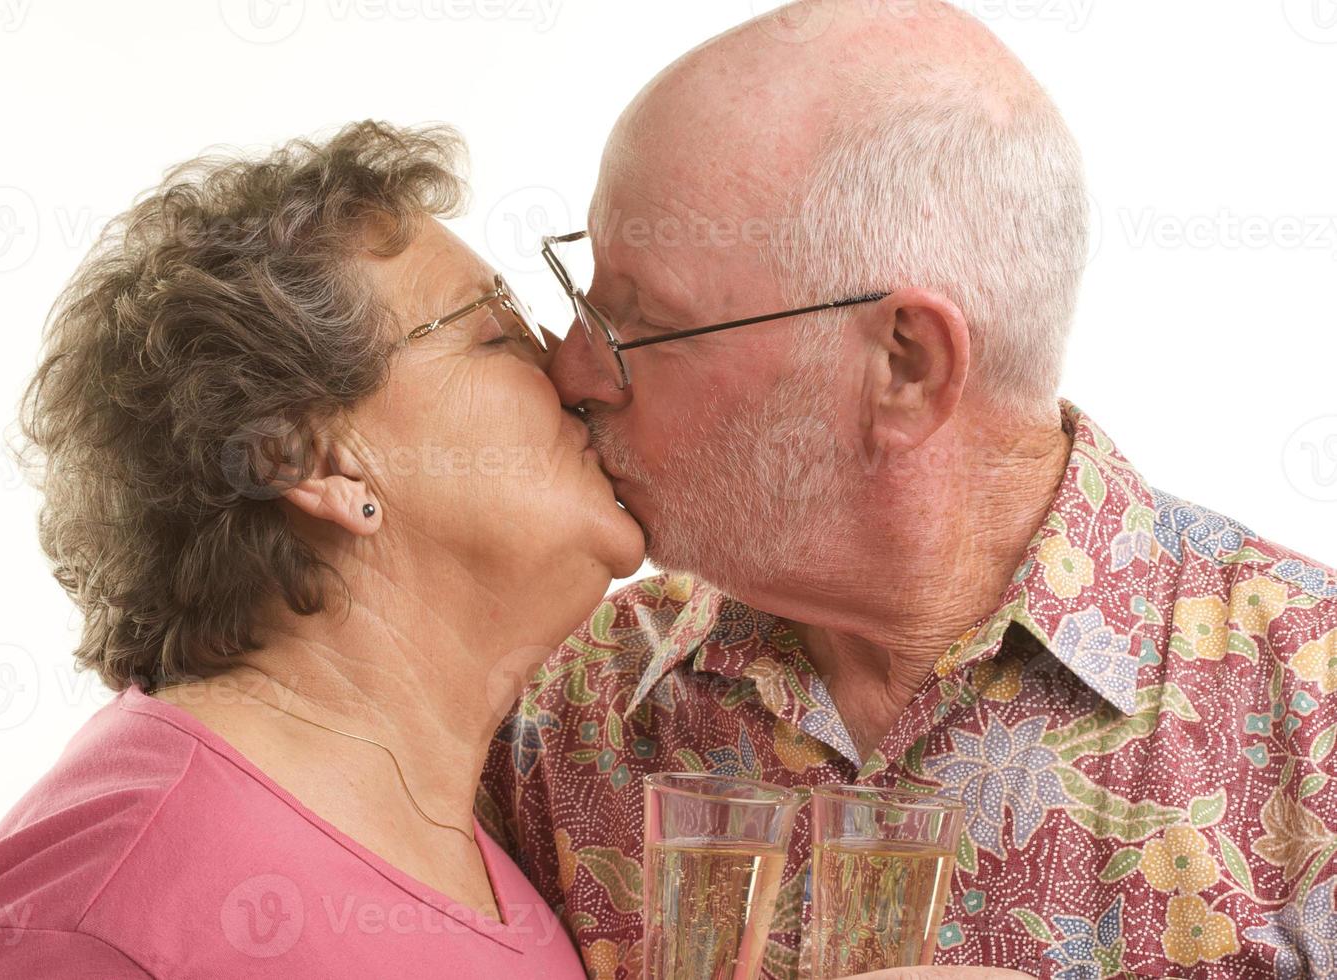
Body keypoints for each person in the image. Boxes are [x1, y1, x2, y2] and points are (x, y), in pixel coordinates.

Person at [480, 2, 1337, 977]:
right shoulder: (561, 710)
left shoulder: (1311, 714)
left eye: (636, 322)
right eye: (585, 294)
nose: (576, 373)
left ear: (903, 365)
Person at [0, 121, 643, 979]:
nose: (578, 372)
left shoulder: (483, 857)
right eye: (494, 335)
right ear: (317, 461)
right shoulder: (95, 925)